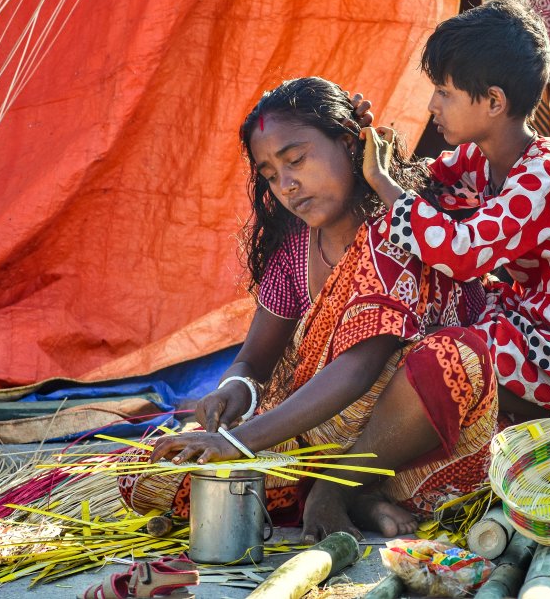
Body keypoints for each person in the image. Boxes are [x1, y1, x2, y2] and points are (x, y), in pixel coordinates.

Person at [125, 77, 498, 541]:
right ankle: (357, 495)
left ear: (348, 143)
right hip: (317, 434)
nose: (287, 185)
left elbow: (358, 368)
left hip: (410, 438)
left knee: (454, 356)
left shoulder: (398, 226)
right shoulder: (294, 250)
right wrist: (230, 393)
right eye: (270, 174)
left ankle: (337, 491)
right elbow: (253, 361)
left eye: (296, 160)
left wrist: (236, 442)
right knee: (147, 476)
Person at [359, 0, 550, 419]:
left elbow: (463, 252)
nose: (432, 105)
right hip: (546, 320)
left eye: (444, 93)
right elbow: (425, 185)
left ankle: (529, 424)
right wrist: (360, 138)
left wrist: (381, 181)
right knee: (442, 309)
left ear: (493, 101)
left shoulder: (546, 174)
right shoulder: (481, 157)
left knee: (460, 343)